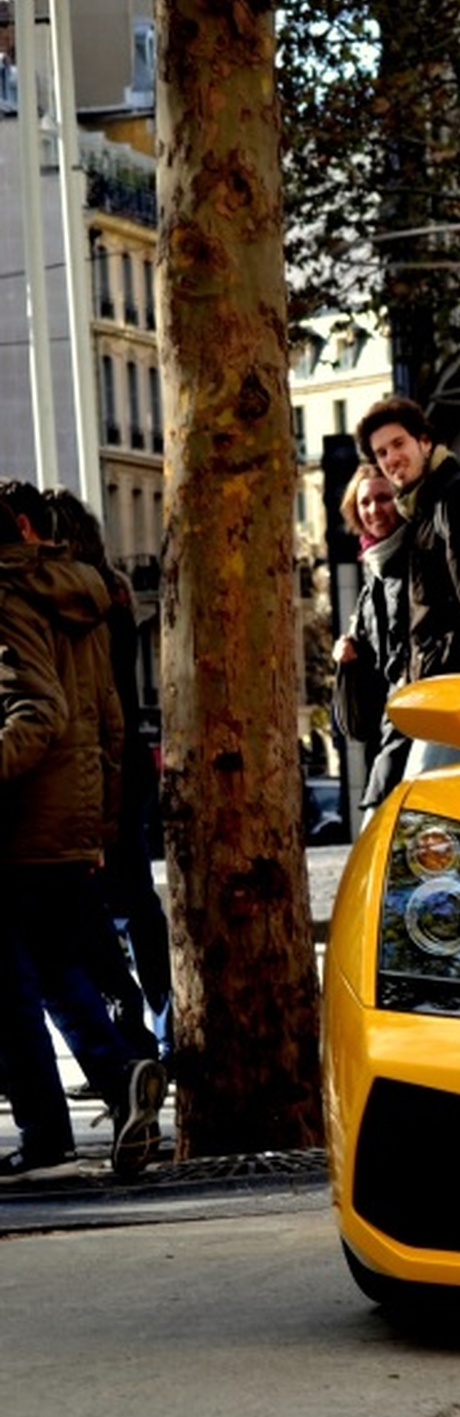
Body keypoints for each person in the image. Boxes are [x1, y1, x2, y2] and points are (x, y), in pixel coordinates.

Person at [0, 481, 165, 1178]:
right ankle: (120, 1076)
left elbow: (40, 714)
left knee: (10, 985)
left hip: (20, 822)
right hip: (69, 820)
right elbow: (109, 722)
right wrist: (96, 824)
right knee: (60, 970)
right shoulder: (88, 596)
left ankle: (46, 1138)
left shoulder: (10, 596)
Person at [40, 491, 168, 1059]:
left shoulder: (66, 603)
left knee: (96, 912)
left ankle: (130, 1031)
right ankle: (154, 1022)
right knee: (134, 902)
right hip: (126, 763)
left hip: (90, 769)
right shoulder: (110, 594)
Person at [356, 395, 460, 704]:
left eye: (398, 444)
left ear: (424, 442)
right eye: (381, 453)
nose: (391, 458)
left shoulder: (455, 498)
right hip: (441, 690)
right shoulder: (423, 507)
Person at [330, 463, 416, 812]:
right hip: (389, 730)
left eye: (384, 498)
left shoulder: (417, 560)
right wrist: (350, 657)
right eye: (365, 503)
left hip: (417, 725)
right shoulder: (373, 576)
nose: (374, 510)